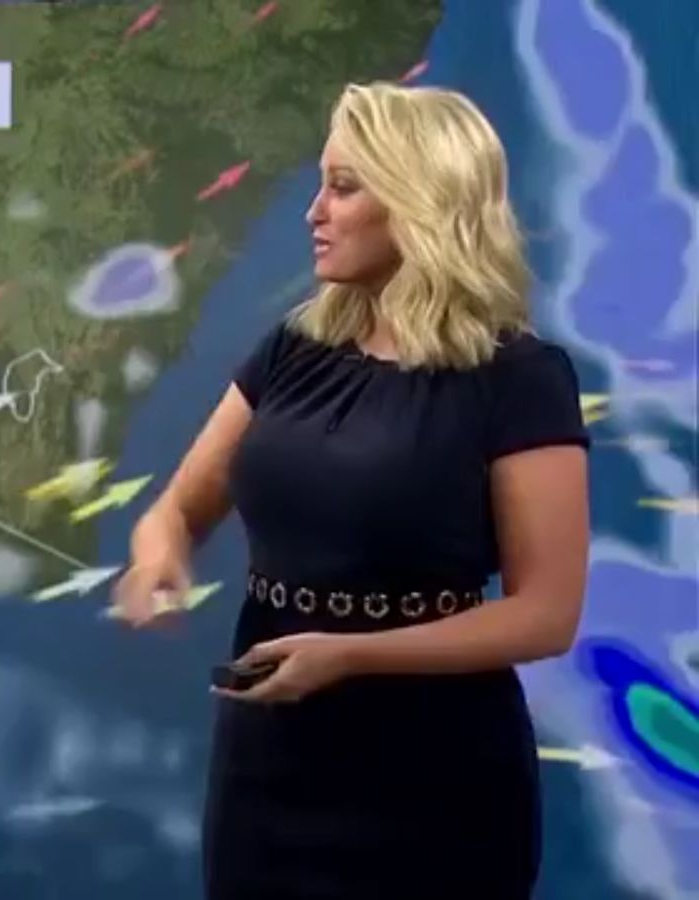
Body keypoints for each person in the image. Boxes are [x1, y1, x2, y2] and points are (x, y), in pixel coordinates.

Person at [113, 81, 590, 899]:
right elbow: (179, 509)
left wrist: (351, 655)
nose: (315, 212)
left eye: (343, 187)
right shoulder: (293, 351)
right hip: (267, 769)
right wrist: (157, 556)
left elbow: (545, 614)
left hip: (434, 783)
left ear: (419, 202)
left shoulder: (519, 380)